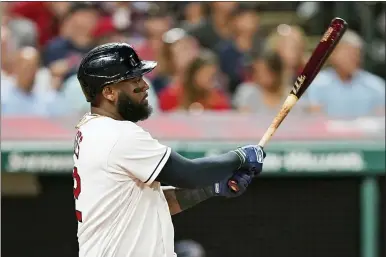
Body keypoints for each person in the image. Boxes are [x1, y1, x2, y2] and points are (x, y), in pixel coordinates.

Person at [73, 42, 266, 257]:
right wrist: (239, 157)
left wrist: (213, 187)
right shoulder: (117, 135)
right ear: (109, 92)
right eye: (135, 80)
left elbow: (155, 204)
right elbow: (188, 174)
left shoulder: (92, 129)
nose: (145, 86)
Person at [306, 29, 385, 118]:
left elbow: (381, 120)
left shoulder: (376, 85)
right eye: (347, 53)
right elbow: (313, 118)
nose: (353, 58)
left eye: (356, 53)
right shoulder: (316, 83)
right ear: (332, 55)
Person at [158, 50, 231, 112]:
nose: (209, 79)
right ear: (193, 74)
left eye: (212, 75)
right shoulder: (171, 95)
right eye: (205, 74)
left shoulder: (218, 100)